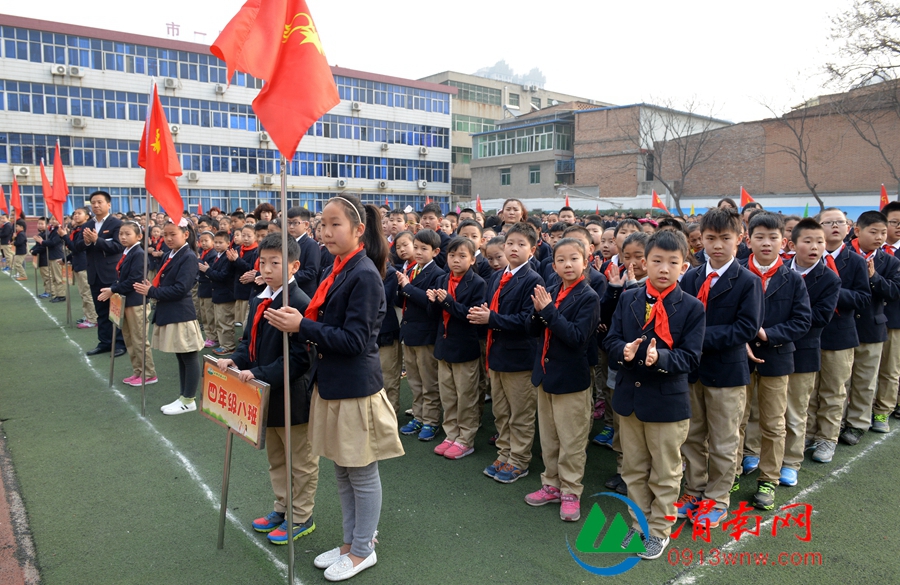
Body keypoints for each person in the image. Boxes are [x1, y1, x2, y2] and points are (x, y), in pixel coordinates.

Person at [264, 195, 404, 581]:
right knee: (343, 470)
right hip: (334, 384)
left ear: (358, 230)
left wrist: (302, 326)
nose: (325, 232)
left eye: (335, 224)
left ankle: (363, 550)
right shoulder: (339, 266)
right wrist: (303, 324)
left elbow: (356, 340)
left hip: (355, 388)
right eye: (322, 224)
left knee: (361, 471)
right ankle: (351, 543)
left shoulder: (364, 274)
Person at [605, 230, 705, 560]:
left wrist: (660, 358)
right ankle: (639, 524)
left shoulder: (692, 307)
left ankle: (660, 529)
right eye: (657, 261)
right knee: (633, 469)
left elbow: (691, 358)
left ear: (684, 267)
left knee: (665, 471)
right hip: (629, 400)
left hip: (666, 401)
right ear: (643, 263)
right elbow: (611, 340)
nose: (664, 268)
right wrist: (624, 351)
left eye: (672, 263)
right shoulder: (629, 299)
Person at [218, 234, 318, 545]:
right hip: (263, 393)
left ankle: (301, 515)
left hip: (292, 396)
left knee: (300, 461)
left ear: (294, 266)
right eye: (263, 262)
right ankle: (282, 507)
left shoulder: (300, 303)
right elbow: (249, 340)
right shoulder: (259, 298)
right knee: (276, 457)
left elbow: (300, 360)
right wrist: (236, 360)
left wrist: (258, 373)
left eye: (276, 263)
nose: (268, 268)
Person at [676, 207, 762, 527]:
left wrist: (697, 338)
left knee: (724, 439)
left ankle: (717, 497)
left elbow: (746, 328)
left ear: (740, 239)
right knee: (693, 435)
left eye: (725, 238)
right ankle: (694, 490)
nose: (717, 245)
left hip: (727, 371)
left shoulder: (748, 281)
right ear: (700, 240)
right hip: (693, 370)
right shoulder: (692, 277)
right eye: (710, 238)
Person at [736, 212, 811, 510]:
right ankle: (732, 473)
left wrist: (768, 334)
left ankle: (768, 478)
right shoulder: (738, 273)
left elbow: (802, 321)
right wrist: (741, 339)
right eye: (760, 237)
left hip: (776, 358)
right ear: (748, 240)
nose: (766, 243)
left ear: (784, 241)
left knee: (773, 422)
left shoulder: (793, 279)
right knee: (736, 420)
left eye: (773, 237)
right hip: (737, 358)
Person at [524, 237, 600, 521]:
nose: (568, 265)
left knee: (572, 440)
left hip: (570, 378)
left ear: (585, 262)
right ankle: (551, 484)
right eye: (561, 260)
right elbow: (533, 330)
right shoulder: (552, 290)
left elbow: (576, 338)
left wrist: (548, 311)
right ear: (553, 265)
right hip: (546, 375)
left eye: (574, 259)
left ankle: (570, 491)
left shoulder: (588, 297)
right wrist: (538, 313)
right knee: (550, 437)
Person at [469, 222, 545, 484]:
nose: (514, 248)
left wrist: (491, 318)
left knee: (520, 413)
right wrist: (483, 315)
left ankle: (519, 459)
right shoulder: (497, 276)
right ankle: (504, 453)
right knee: (501, 411)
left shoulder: (533, 280)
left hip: (519, 357)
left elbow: (528, 322)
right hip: (497, 353)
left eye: (521, 244)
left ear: (532, 250)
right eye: (510, 243)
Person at [806, 208, 870, 463]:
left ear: (848, 228)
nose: (834, 226)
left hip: (840, 334)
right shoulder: (806, 259)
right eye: (828, 222)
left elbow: (863, 298)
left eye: (840, 222)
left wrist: (831, 291)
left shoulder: (855, 261)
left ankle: (827, 438)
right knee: (809, 391)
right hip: (809, 333)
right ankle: (808, 434)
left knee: (834, 390)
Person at [781, 219, 840, 486]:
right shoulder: (780, 270)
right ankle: (758, 454)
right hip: (774, 350)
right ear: (792, 245)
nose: (815, 247)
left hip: (803, 350)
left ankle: (791, 462)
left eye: (820, 242)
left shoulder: (829, 278)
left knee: (796, 410)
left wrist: (783, 322)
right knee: (767, 411)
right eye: (808, 241)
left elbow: (820, 317)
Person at [841, 210, 900, 445]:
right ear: (857, 231)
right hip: (843, 327)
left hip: (872, 328)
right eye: (873, 232)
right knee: (840, 381)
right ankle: (837, 422)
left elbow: (895, 292)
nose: (879, 237)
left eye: (883, 233)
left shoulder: (890, 261)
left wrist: (874, 277)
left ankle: (857, 424)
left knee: (865, 380)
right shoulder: (843, 254)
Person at [134, 221, 205, 415]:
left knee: (189, 356)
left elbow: (181, 289)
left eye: (173, 234)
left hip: (181, 313)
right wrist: (152, 288)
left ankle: (188, 399)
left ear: (186, 234)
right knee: (181, 356)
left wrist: (152, 291)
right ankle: (184, 396)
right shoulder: (169, 254)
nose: (168, 238)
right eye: (165, 234)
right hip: (170, 311)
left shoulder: (188, 256)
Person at [428, 237, 486, 460]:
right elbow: (435, 315)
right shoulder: (442, 278)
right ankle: (451, 434)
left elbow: (472, 315)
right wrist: (433, 301)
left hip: (464, 347)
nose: (456, 260)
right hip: (444, 345)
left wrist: (448, 302)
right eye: (452, 255)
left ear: (472, 259)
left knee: (466, 396)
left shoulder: (478, 283)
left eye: (462, 256)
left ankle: (466, 438)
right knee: (448, 395)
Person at [396, 229, 444, 441]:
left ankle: (431, 420)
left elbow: (429, 303)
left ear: (435, 252)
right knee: (415, 381)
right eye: (415, 247)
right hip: (410, 333)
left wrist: (406, 287)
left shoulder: (438, 274)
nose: (418, 252)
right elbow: (402, 300)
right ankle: (418, 416)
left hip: (426, 335)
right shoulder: (411, 269)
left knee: (429, 381)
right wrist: (400, 286)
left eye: (424, 249)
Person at [98, 221, 157, 386]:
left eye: (127, 234)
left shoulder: (138, 254)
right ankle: (138, 371)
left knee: (139, 339)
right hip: (126, 301)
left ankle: (149, 373)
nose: (123, 237)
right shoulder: (127, 251)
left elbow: (134, 280)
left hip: (136, 302)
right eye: (121, 234)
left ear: (139, 236)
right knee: (129, 339)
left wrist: (113, 289)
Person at [72, 191, 125, 357]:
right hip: (94, 274)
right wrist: (87, 242)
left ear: (108, 204)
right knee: (101, 312)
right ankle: (104, 342)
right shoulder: (87, 225)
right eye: (93, 202)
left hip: (111, 274)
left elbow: (118, 247)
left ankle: (119, 344)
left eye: (99, 202)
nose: (96, 205)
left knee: (115, 311)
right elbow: (77, 247)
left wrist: (97, 241)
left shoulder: (116, 224)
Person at [879, 201, 900, 421]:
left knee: (890, 368)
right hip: (869, 319)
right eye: (894, 222)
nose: (898, 227)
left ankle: (883, 412)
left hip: (895, 318)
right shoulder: (869, 250)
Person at [60, 208, 99, 328]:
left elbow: (77, 248)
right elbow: (75, 250)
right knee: (83, 292)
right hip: (78, 263)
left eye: (79, 214)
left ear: (87, 216)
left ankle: (92, 318)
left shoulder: (86, 229)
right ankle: (88, 315)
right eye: (75, 214)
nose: (76, 216)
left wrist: (64, 236)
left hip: (84, 264)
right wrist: (65, 259)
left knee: (86, 292)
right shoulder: (77, 229)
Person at [206, 231, 237, 356]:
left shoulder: (228, 257)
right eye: (216, 242)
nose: (217, 245)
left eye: (220, 242)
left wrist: (207, 270)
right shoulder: (218, 256)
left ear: (228, 243)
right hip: (218, 294)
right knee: (219, 321)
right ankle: (223, 343)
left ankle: (228, 346)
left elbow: (223, 276)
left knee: (225, 322)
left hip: (226, 294)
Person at [286, 207, 321, 297]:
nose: (291, 226)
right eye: (289, 223)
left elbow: (311, 272)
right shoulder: (286, 242)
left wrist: (287, 277)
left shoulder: (311, 244)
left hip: (304, 293)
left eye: (295, 223)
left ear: (306, 224)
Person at [196, 231, 218, 348]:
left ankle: (213, 337)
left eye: (206, 241)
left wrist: (197, 259)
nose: (203, 243)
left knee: (210, 315)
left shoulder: (213, 254)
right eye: (201, 241)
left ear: (213, 242)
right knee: (204, 314)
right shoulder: (202, 253)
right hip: (202, 287)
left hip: (209, 288)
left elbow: (204, 268)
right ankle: (209, 336)